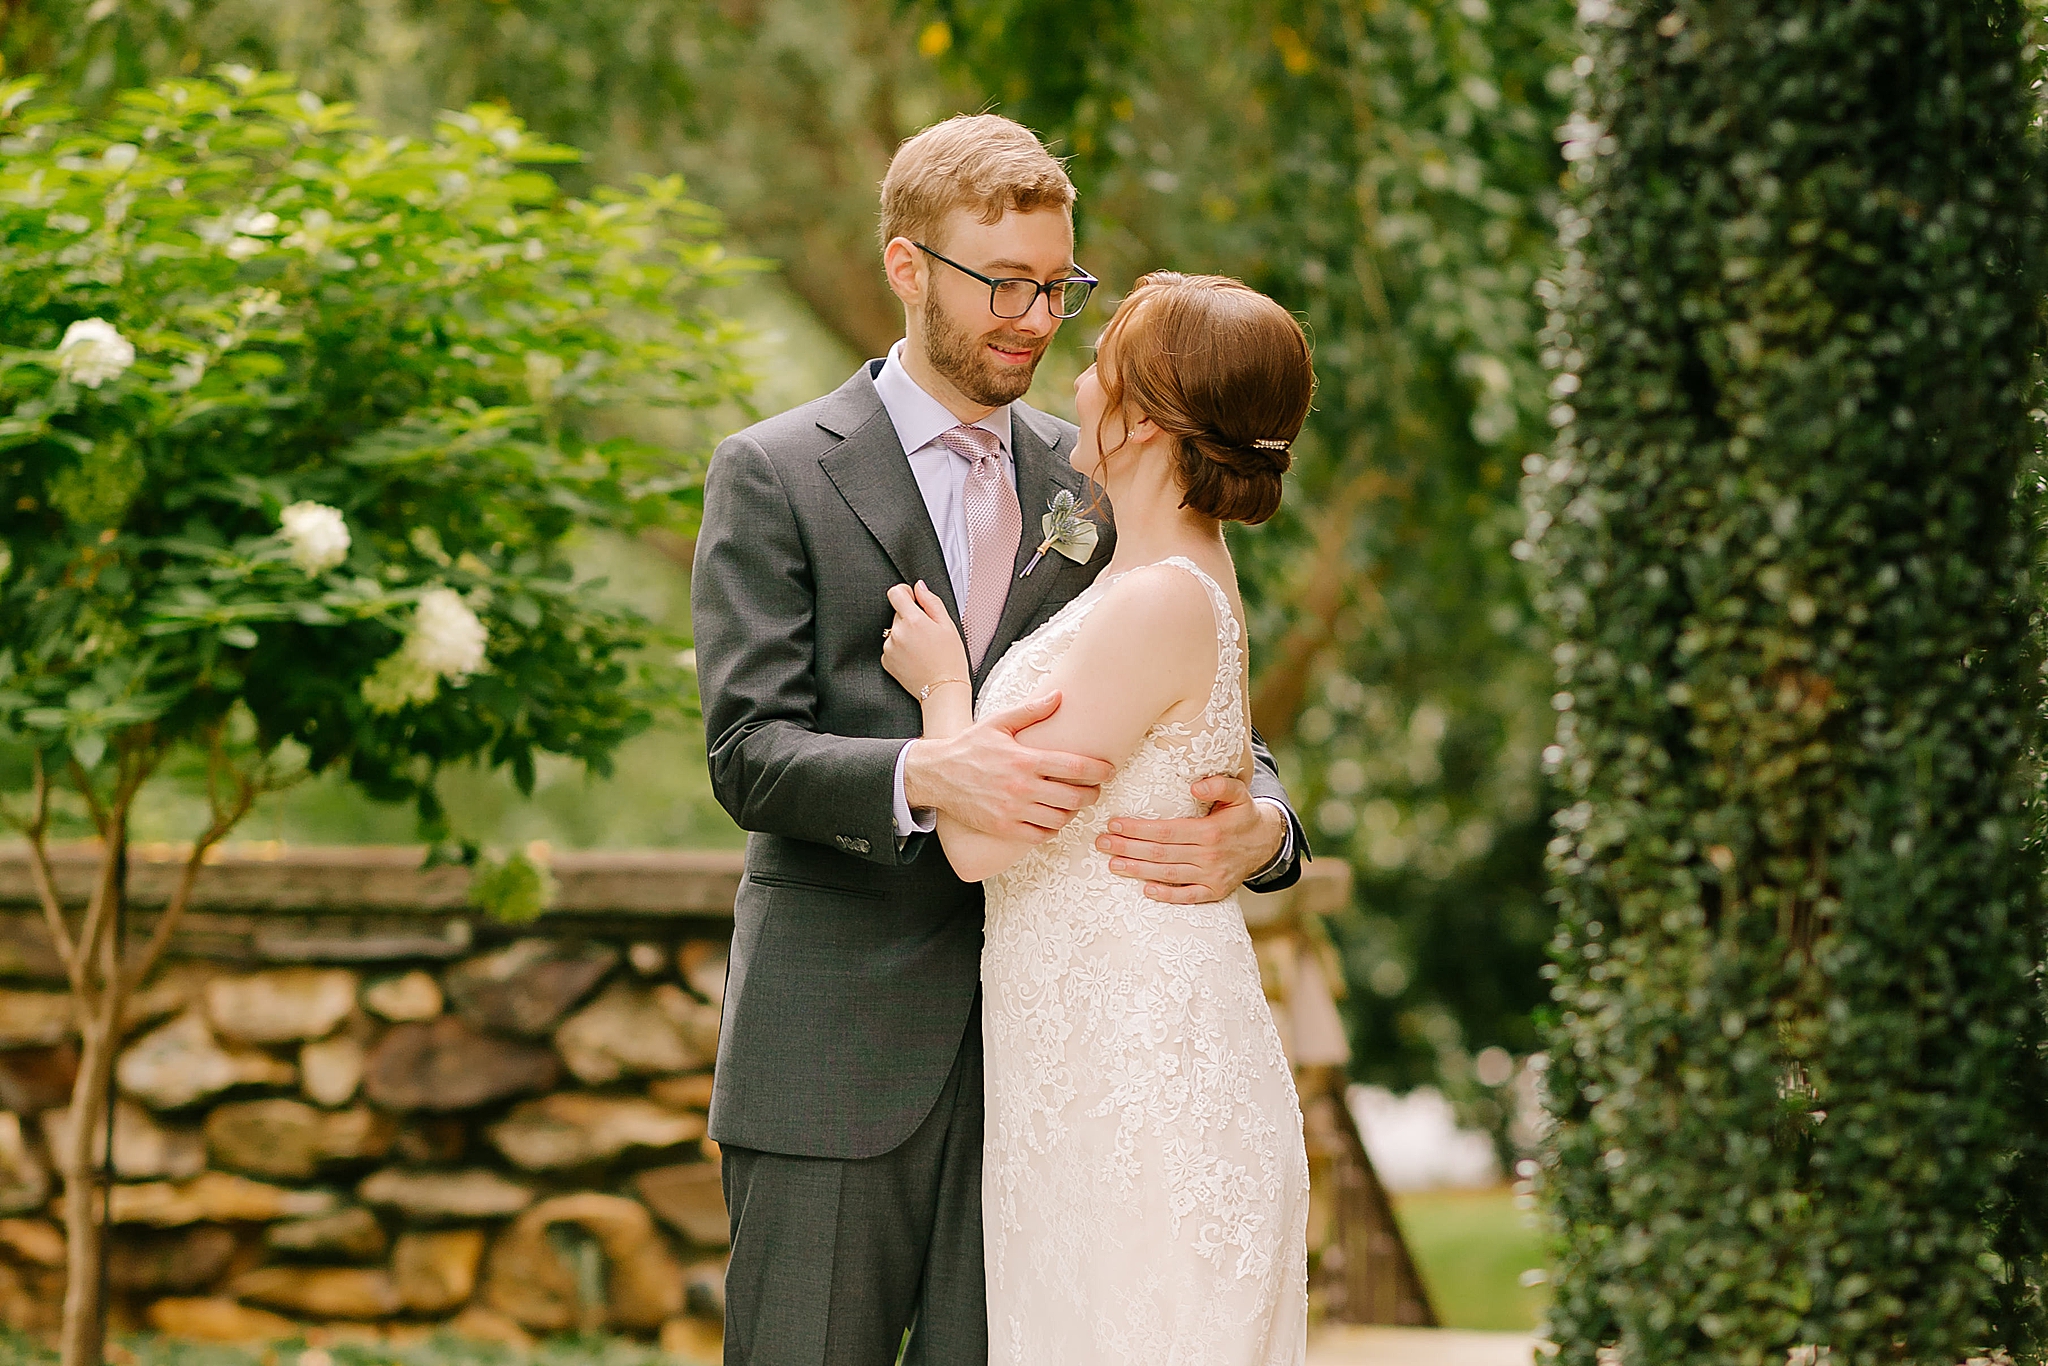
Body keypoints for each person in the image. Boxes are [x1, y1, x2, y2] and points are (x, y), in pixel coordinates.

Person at [692, 113, 1307, 1366]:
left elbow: (1198, 691)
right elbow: (747, 748)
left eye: (1056, 285)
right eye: (1003, 284)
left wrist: (1265, 825)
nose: (1035, 317)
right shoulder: (775, 474)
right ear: (907, 268)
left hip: (1058, 1082)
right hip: (839, 1052)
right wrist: (926, 767)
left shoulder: (1101, 472)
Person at [881, 271, 1313, 1363]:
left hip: (1137, 1085)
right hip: (1087, 1066)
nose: (1074, 380)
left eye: (1100, 362)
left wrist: (940, 689)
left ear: (1147, 416)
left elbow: (976, 842)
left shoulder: (1159, 596)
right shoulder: (1161, 572)